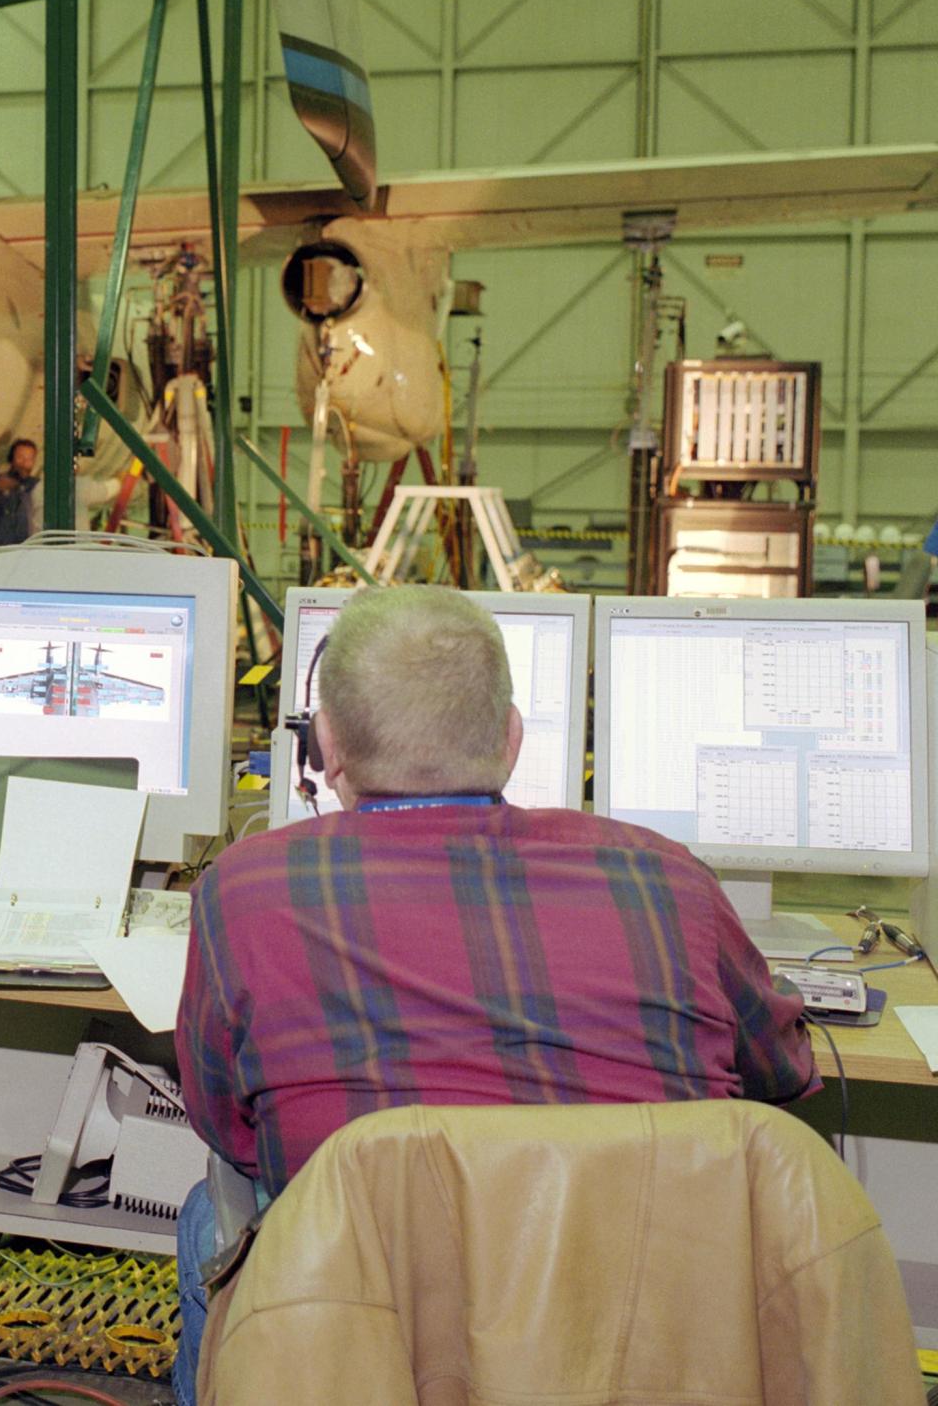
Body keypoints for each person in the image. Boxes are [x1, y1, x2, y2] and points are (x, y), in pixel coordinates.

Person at [170, 585, 817, 1406]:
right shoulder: (666, 876)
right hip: (636, 1342)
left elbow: (228, 1127)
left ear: (324, 744)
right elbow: (778, 1075)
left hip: (366, 1344)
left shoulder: (244, 889)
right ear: (512, 739)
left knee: (209, 1214)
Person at [0, 437, 40, 546]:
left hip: (29, 549)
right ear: (11, 458)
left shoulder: (36, 485)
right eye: (20, 457)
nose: (24, 463)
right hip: (0, 548)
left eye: (29, 459)